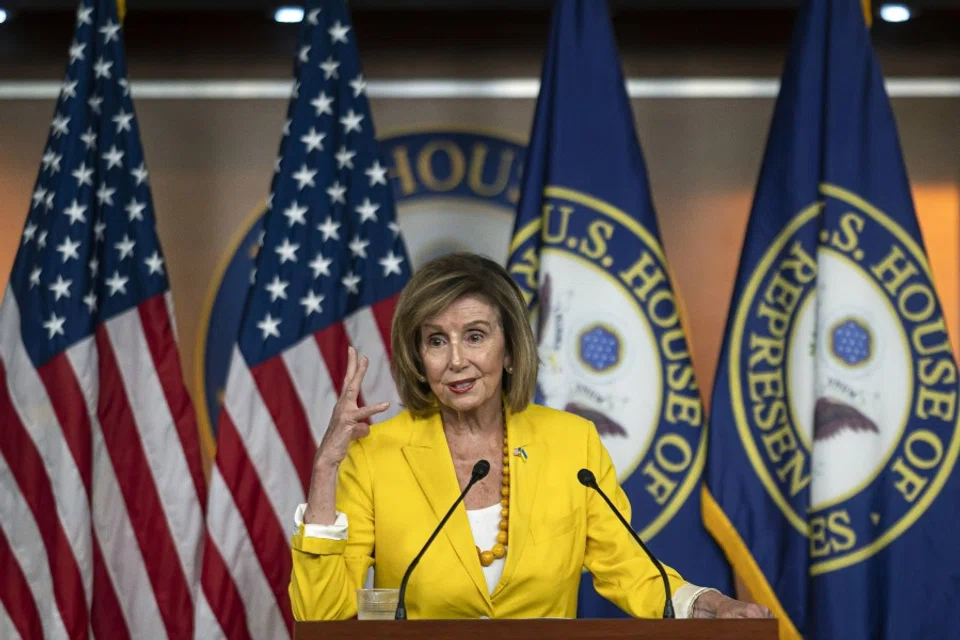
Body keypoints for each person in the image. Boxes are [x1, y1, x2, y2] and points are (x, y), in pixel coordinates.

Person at [289, 252, 772, 620]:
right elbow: (321, 614)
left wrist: (704, 603)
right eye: (436, 340)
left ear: (510, 348)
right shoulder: (377, 455)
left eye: (475, 335)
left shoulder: (571, 444)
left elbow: (629, 569)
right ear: (418, 357)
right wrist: (326, 469)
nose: (456, 359)